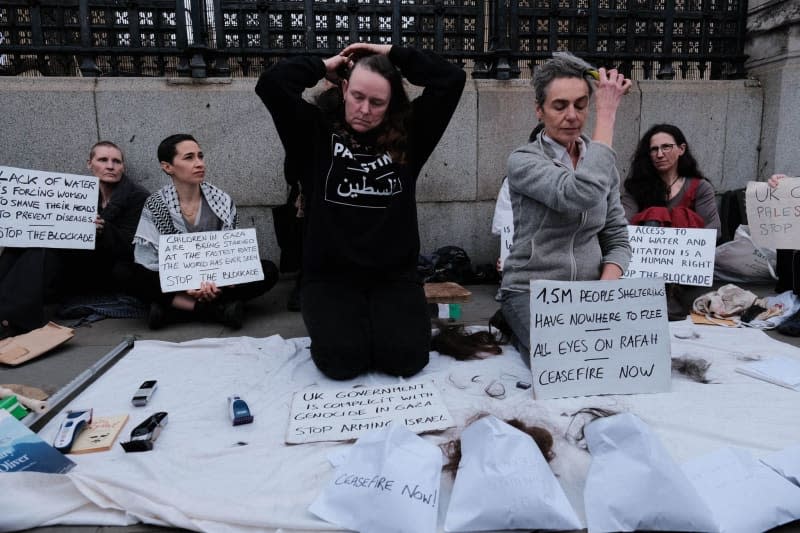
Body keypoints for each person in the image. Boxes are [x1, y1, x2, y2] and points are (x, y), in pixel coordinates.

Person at [256, 42, 466, 380]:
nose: (365, 109)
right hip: (329, 278)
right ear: (343, 88)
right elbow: (271, 84)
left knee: (406, 360)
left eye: (377, 102)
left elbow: (451, 80)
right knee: (342, 362)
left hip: (393, 277)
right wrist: (322, 64)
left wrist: (393, 52)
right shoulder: (312, 132)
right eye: (357, 97)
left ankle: (389, 319)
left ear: (390, 104)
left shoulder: (410, 135)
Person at [498, 52, 632, 357]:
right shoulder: (523, 160)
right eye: (560, 106)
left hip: (589, 292)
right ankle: (514, 322)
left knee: (619, 355)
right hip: (530, 292)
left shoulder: (602, 164)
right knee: (563, 356)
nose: (572, 115)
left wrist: (605, 287)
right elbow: (576, 194)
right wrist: (607, 115)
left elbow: (617, 238)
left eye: (581, 105)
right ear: (539, 111)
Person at [0, 141, 149, 338]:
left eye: (116, 161)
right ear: (90, 164)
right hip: (76, 262)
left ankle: (15, 319)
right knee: (18, 246)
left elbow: (132, 249)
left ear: (123, 167)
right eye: (103, 160)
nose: (110, 166)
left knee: (47, 251)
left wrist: (103, 230)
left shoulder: (137, 197)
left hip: (108, 270)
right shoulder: (78, 193)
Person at [133, 134, 279, 330]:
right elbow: (148, 258)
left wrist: (216, 281)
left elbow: (232, 254)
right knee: (127, 272)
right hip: (176, 281)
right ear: (168, 167)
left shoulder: (221, 200)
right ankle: (215, 310)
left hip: (218, 279)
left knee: (267, 270)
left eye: (200, 156)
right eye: (189, 158)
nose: (199, 163)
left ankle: (173, 307)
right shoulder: (156, 203)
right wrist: (186, 284)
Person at [622, 123, 721, 232]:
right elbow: (622, 225)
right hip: (644, 248)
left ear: (681, 149)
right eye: (654, 149)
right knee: (655, 212)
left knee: (680, 215)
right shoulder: (636, 187)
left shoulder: (699, 187)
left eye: (666, 147)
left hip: (687, 247)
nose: (659, 154)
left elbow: (713, 229)